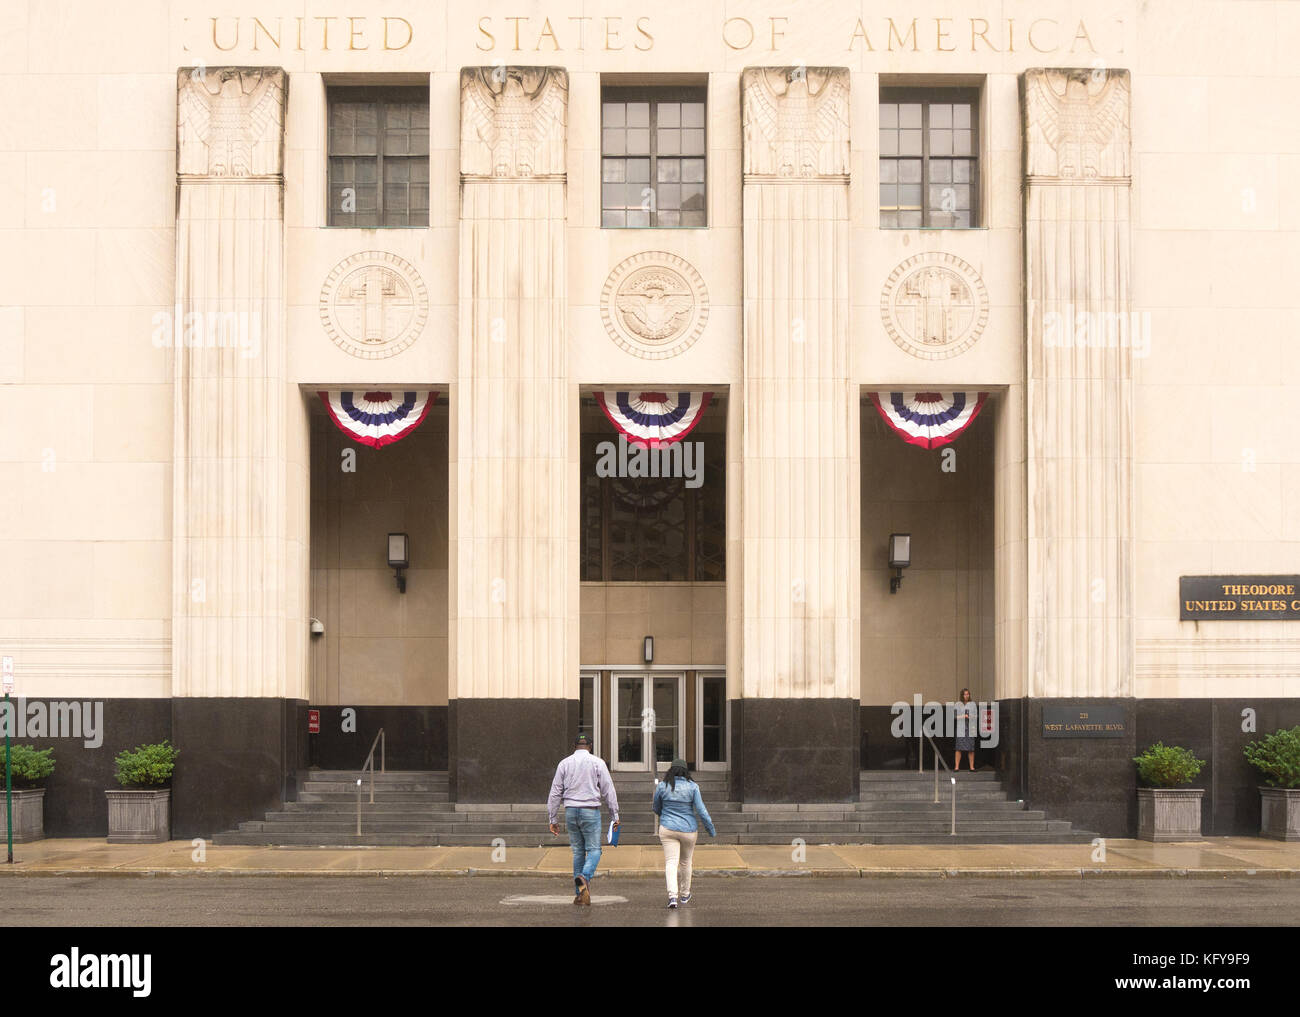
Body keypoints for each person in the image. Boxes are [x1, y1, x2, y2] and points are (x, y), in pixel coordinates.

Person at [548, 733, 619, 906]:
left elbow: (555, 791)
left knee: (578, 852)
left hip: (571, 810)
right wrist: (614, 815)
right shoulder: (597, 763)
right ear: (590, 746)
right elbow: (608, 790)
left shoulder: (564, 763)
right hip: (590, 810)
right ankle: (584, 877)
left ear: (575, 746)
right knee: (594, 850)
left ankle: (580, 895)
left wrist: (553, 818)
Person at [652, 758, 716, 909]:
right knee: (686, 862)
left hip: (667, 829)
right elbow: (701, 811)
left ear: (670, 771)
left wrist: (666, 815)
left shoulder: (662, 786)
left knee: (670, 862)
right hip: (688, 829)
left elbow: (655, 807)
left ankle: (672, 897)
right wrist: (710, 829)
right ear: (686, 771)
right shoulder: (693, 787)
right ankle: (685, 894)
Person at [954, 687, 977, 771]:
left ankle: (972, 767)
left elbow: (976, 716)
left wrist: (971, 717)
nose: (966, 696)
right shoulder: (957, 704)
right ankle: (956, 767)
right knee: (958, 748)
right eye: (965, 694)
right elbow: (955, 716)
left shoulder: (973, 704)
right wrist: (964, 716)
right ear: (962, 695)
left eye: (968, 694)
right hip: (961, 727)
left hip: (970, 727)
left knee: (971, 748)